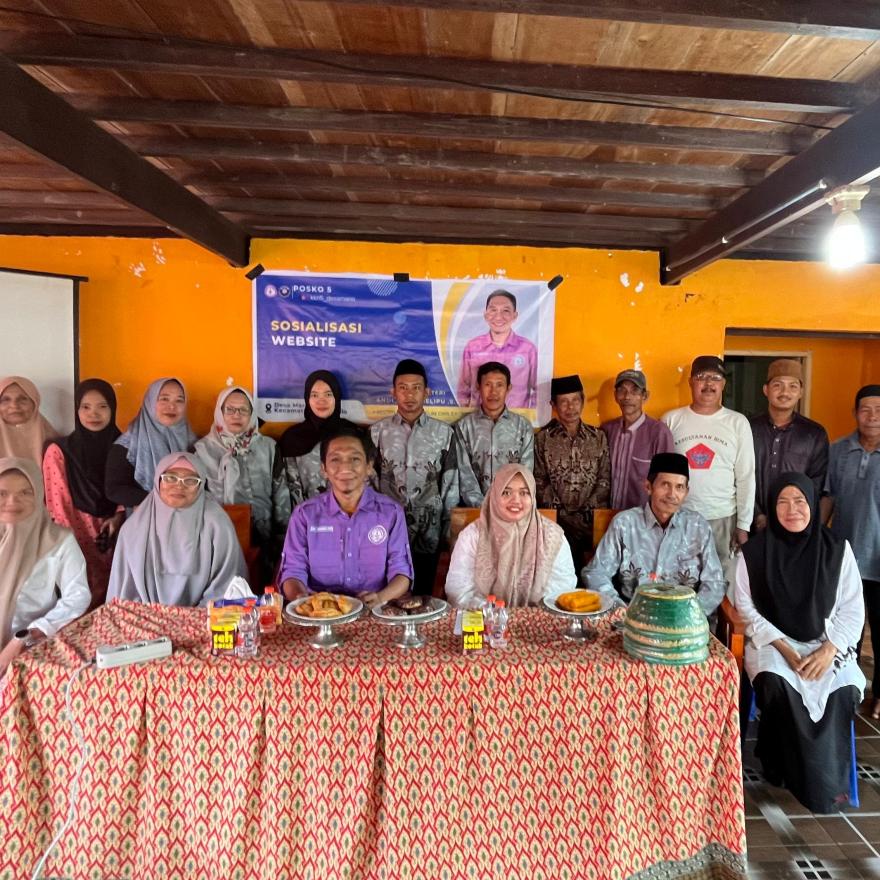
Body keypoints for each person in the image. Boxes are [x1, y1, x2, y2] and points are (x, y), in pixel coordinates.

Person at [736, 473, 865, 813]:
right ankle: (781, 766)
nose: (792, 509)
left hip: (826, 640)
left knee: (842, 690)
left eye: (800, 501)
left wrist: (829, 650)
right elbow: (746, 608)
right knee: (776, 685)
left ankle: (826, 783)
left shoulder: (837, 550)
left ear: (812, 505)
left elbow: (853, 608)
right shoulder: (754, 553)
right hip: (773, 642)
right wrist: (786, 649)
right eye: (782, 501)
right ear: (771, 507)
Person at [279, 425, 412, 608]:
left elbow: (402, 572)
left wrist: (380, 598)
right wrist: (303, 599)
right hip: (320, 612)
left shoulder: (391, 513)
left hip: (374, 610)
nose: (345, 468)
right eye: (335, 459)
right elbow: (292, 571)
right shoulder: (304, 515)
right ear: (324, 469)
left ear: (369, 466)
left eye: (354, 459)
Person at [583, 452, 724, 616]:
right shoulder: (624, 524)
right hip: (633, 618)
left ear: (686, 492)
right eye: (665, 485)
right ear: (648, 487)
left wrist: (688, 615)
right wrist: (621, 610)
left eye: (679, 487)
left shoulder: (698, 527)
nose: (672, 494)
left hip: (684, 620)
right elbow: (596, 573)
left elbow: (714, 582)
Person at [662, 356, 755, 590]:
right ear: (690, 382)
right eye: (701, 377)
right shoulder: (671, 420)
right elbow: (661, 476)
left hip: (722, 518)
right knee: (676, 581)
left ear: (723, 384)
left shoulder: (737, 423)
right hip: (678, 517)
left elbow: (746, 476)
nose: (708, 384)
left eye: (715, 378)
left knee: (719, 585)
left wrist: (743, 525)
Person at [106, 452, 247, 606]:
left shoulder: (217, 523)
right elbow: (124, 590)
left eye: (191, 480)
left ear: (201, 486)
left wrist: (195, 616)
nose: (179, 485)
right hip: (143, 614)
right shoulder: (133, 529)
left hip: (203, 614)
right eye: (170, 478)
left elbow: (226, 584)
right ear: (158, 481)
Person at [370, 359, 459, 595]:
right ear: (393, 392)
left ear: (427, 392)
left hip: (429, 531)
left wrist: (447, 530)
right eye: (403, 387)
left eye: (416, 388)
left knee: (425, 596)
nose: (409, 395)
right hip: (388, 530)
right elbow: (369, 481)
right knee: (388, 596)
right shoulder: (377, 432)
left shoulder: (444, 433)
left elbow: (450, 484)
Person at [0, 457, 90, 678]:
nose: (12, 502)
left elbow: (78, 596)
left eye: (25, 492)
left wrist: (26, 636)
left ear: (40, 493)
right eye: (2, 493)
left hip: (30, 648)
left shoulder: (58, 540)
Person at [822, 384, 880, 719]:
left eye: (878, 410)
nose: (872, 416)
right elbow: (828, 497)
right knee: (845, 628)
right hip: (844, 559)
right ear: (855, 413)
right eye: (865, 409)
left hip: (879, 560)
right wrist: (816, 539)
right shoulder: (838, 450)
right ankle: (847, 689)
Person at [445, 463, 576, 608]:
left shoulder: (553, 537)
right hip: (485, 618)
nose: (516, 501)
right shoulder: (473, 535)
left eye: (524, 493)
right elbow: (459, 590)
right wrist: (494, 612)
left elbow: (562, 588)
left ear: (533, 497)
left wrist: (528, 616)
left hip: (537, 617)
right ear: (494, 495)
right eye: (506, 492)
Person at [42, 379, 124, 609]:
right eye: (85, 407)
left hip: (115, 535)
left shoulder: (125, 447)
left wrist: (118, 517)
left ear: (112, 409)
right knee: (78, 599)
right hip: (76, 537)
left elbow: (127, 486)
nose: (93, 414)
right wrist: (73, 545)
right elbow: (58, 505)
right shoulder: (59, 451)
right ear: (76, 410)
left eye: (102, 406)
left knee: (114, 599)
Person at [195, 386, 290, 573]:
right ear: (220, 412)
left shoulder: (268, 447)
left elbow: (281, 493)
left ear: (252, 414)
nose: (236, 415)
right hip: (217, 539)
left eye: (243, 410)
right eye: (230, 409)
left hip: (263, 538)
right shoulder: (202, 450)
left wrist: (282, 538)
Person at [534, 374, 610, 567]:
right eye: (564, 402)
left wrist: (585, 514)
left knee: (589, 571)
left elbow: (604, 479)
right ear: (553, 405)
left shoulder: (598, 437)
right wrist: (564, 517)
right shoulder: (543, 439)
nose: (571, 407)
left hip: (590, 523)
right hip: (555, 523)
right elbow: (540, 481)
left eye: (575, 400)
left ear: (583, 401)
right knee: (557, 570)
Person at [750, 359, 828, 531]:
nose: (785, 392)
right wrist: (757, 516)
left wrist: (794, 516)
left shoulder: (814, 433)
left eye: (793, 386)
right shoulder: (747, 428)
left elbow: (816, 483)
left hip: (794, 524)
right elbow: (738, 476)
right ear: (766, 390)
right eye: (778, 385)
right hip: (751, 525)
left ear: (801, 392)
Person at [105, 377, 196, 508]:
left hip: (186, 515)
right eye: (164, 399)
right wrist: (158, 500)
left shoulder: (194, 444)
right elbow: (114, 489)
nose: (172, 406)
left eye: (179, 400)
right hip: (145, 514)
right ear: (150, 402)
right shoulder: (127, 445)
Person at [454, 361, 534, 507]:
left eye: (499, 385)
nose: (493, 392)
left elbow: (525, 473)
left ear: (508, 388)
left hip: (512, 508)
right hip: (475, 510)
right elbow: (465, 474)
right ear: (478, 387)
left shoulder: (523, 427)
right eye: (488, 385)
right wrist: (482, 507)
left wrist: (507, 505)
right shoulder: (464, 427)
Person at [600, 369, 674, 511]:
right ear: (615, 396)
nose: (627, 397)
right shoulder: (607, 430)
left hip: (642, 518)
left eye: (634, 391)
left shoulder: (659, 432)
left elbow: (667, 480)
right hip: (607, 516)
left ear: (645, 396)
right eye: (622, 390)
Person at [279, 370, 354, 508]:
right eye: (314, 395)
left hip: (350, 515)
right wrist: (305, 518)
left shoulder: (353, 434)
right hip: (307, 516)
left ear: (337, 397)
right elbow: (290, 489)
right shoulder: (292, 438)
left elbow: (365, 482)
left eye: (328, 394)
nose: (321, 400)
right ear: (307, 399)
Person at [457, 290, 538, 410]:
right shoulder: (473, 347)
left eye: (505, 310)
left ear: (515, 316)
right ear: (485, 315)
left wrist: (528, 415)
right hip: (479, 418)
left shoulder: (528, 349)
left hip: (516, 419)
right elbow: (463, 389)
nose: (498, 317)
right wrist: (470, 414)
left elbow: (538, 390)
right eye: (493, 310)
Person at [0, 375, 58, 464]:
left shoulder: (53, 439)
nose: (14, 406)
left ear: (34, 403)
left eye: (22, 399)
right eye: (5, 400)